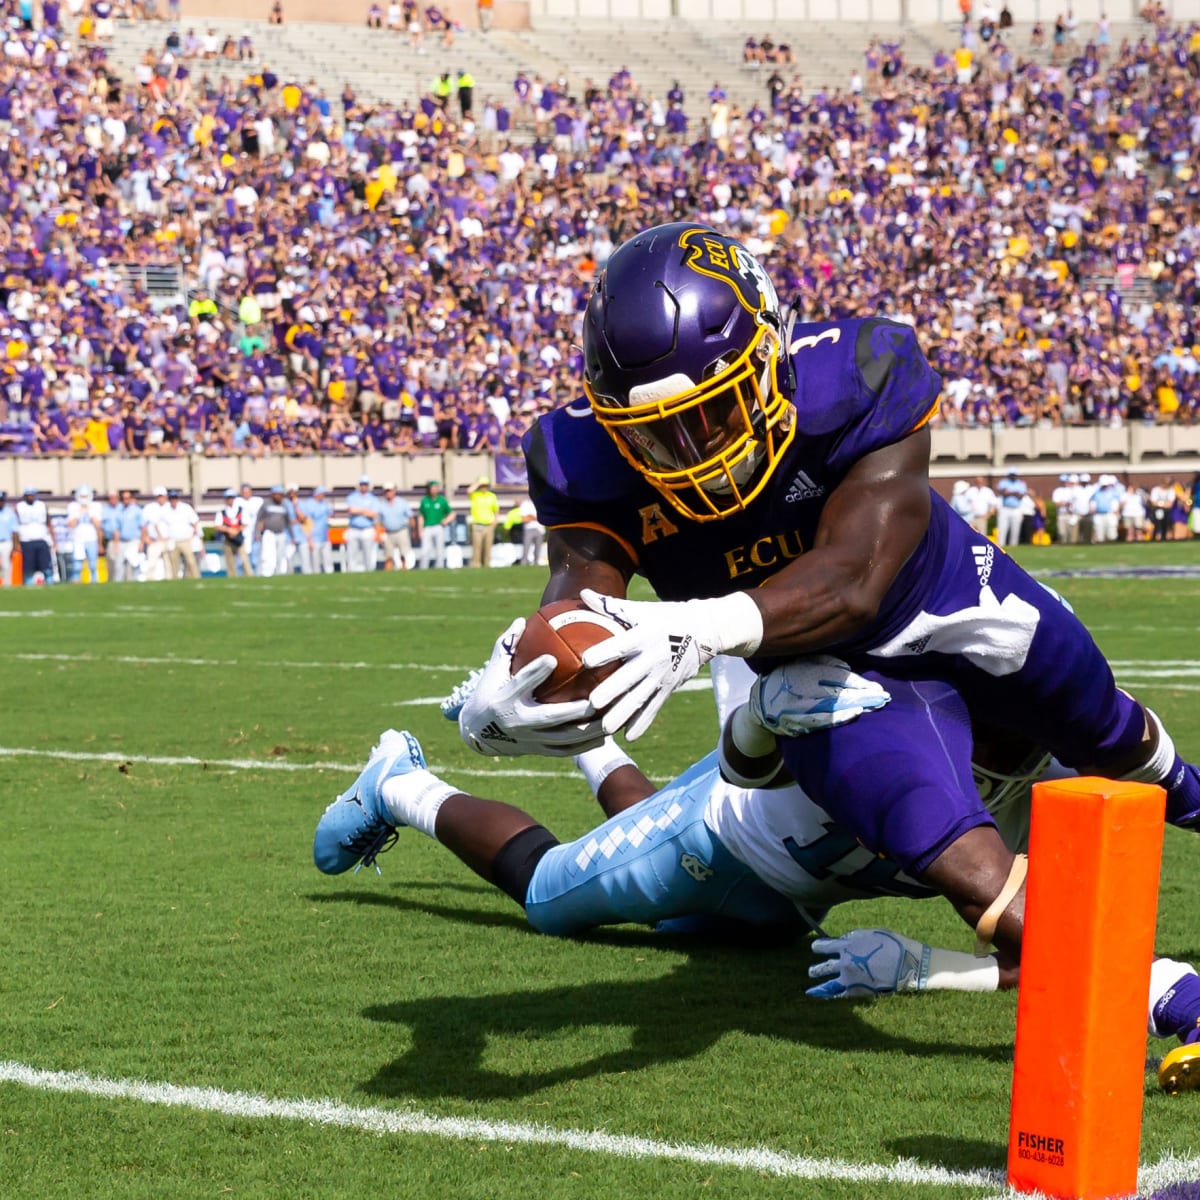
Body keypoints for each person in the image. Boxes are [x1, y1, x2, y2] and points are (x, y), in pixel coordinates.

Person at [454, 221, 1200, 979]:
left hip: (944, 608)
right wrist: (535, 679)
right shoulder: (583, 456)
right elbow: (582, 604)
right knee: (952, 854)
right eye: (658, 434)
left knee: (1112, 732)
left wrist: (700, 626)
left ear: (773, 352)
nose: (694, 451)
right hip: (819, 689)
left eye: (714, 409)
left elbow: (856, 578)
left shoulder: (858, 374)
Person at [314, 658, 1200, 1093]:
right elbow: (747, 764)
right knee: (552, 897)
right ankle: (401, 781)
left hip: (790, 902)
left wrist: (930, 970)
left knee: (673, 899)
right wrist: (1173, 992)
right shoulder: (890, 726)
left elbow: (1059, 946)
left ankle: (593, 745)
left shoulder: (1053, 778)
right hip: (723, 833)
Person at [15, 486, 54, 585]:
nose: (30, 497)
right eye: (28, 495)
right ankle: (28, 584)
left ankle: (50, 582)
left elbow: (48, 523)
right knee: (28, 567)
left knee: (46, 566)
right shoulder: (19, 506)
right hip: (26, 540)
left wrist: (53, 539)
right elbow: (15, 526)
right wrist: (17, 543)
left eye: (32, 495)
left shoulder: (41, 505)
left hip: (41, 538)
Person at [254, 483, 293, 577]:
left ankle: (280, 573)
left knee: (281, 555)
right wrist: (257, 533)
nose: (278, 496)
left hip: (281, 533)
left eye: (280, 494)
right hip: (269, 533)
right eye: (277, 494)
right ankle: (266, 573)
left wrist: (292, 536)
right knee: (268, 555)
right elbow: (259, 519)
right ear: (273, 494)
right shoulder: (266, 504)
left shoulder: (284, 505)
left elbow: (288, 521)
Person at [66, 484, 102, 583]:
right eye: (82, 496)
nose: (84, 499)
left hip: (92, 538)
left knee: (93, 565)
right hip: (78, 539)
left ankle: (95, 582)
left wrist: (89, 512)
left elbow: (98, 525)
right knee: (77, 565)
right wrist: (78, 513)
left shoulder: (95, 506)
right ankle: (76, 582)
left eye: (86, 496)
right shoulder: (73, 506)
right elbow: (71, 524)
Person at [163, 488, 202, 579]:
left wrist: (192, 536)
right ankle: (175, 581)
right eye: (172, 498)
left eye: (175, 498)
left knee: (191, 561)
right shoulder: (166, 510)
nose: (173, 500)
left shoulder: (185, 508)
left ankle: (196, 578)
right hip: (173, 541)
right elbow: (161, 524)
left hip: (185, 540)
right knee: (174, 563)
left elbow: (195, 521)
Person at [345, 476, 380, 572]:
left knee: (368, 553)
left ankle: (369, 571)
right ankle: (351, 571)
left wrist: (359, 511)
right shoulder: (352, 497)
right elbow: (351, 510)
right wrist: (364, 511)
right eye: (362, 484)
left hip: (367, 528)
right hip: (354, 528)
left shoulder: (373, 499)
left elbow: (374, 514)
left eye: (365, 484)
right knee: (352, 554)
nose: (363, 486)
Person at [298, 485, 335, 574]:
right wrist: (309, 538)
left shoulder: (324, 504)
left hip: (325, 537)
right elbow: (306, 523)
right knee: (315, 562)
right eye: (322, 493)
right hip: (314, 537)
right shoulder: (308, 505)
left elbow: (330, 514)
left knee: (328, 560)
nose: (323, 495)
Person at [377, 483, 413, 570]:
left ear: (394, 491)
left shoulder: (402, 502)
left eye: (390, 491)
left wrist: (412, 531)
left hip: (401, 530)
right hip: (388, 532)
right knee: (388, 555)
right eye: (386, 491)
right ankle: (389, 573)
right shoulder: (381, 504)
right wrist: (379, 534)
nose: (388, 493)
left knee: (404, 554)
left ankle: (404, 570)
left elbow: (410, 517)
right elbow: (377, 520)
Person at [218, 487, 252, 578]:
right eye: (228, 498)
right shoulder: (222, 512)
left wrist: (236, 531)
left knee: (244, 559)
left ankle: (249, 576)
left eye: (232, 497)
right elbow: (218, 526)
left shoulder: (241, 510)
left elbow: (245, 523)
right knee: (230, 562)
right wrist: (229, 530)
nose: (230, 500)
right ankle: (232, 577)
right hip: (228, 539)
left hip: (239, 539)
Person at [418, 479, 452, 568]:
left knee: (440, 549)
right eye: (431, 488)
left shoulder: (442, 500)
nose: (433, 489)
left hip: (438, 526)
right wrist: (420, 530)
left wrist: (445, 521)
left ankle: (440, 567)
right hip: (427, 527)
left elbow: (452, 513)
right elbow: (421, 516)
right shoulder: (424, 500)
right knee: (425, 550)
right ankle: (423, 567)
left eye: (435, 488)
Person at [468, 475, 500, 567]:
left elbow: (496, 510)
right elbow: (469, 491)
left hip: (489, 524)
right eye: (482, 485)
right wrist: (478, 483)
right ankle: (476, 564)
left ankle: (487, 564)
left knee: (487, 546)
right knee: (477, 546)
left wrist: (495, 521)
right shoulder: (475, 495)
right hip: (478, 524)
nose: (483, 487)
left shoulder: (492, 496)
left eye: (485, 485)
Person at [995, 469, 1026, 547]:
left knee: (1015, 529)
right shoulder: (1003, 482)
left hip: (1016, 509)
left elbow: (1021, 495)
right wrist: (1014, 492)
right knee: (1002, 528)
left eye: (1014, 475)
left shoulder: (1021, 484)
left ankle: (1014, 545)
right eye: (1011, 475)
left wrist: (1009, 492)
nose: (1013, 476)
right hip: (1005, 508)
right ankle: (1000, 545)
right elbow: (1002, 492)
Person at [0, 490, 17, 585]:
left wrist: (15, 546)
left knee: (6, 565)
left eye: (1, 500)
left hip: (6, 542)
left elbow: (14, 531)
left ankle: (7, 585)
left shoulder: (9, 512)